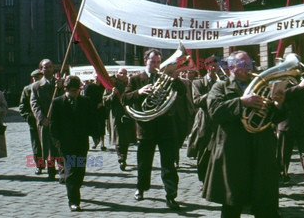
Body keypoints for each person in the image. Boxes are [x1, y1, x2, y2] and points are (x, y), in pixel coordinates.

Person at [203, 50, 286, 218]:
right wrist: (241, 102)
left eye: (249, 64)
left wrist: (278, 104)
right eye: (243, 64)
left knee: (265, 203)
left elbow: (275, 118)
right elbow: (214, 111)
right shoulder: (221, 86)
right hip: (234, 151)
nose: (248, 68)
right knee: (232, 204)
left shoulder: (263, 86)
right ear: (231, 67)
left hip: (261, 150)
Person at [121, 49, 186, 210]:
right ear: (146, 61)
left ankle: (171, 195)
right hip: (146, 128)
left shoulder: (166, 77)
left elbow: (183, 92)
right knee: (144, 162)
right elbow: (124, 99)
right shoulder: (136, 79)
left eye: (158, 62)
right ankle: (141, 188)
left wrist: (175, 80)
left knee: (168, 164)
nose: (156, 65)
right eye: (153, 61)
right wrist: (139, 92)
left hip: (166, 127)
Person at [50, 76, 97, 212]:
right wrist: (56, 140)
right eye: (72, 91)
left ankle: (75, 188)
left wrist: (95, 135)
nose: (75, 93)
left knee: (80, 170)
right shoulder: (58, 102)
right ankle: (74, 201)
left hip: (81, 142)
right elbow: (54, 124)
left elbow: (91, 119)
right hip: (65, 143)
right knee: (71, 171)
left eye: (77, 90)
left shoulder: (85, 101)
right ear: (66, 89)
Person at [276, 75, 304, 188]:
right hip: (286, 122)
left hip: (302, 123)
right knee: (284, 153)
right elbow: (280, 95)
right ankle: (282, 176)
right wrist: (299, 87)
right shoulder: (280, 81)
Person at [30, 59, 64, 181]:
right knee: (49, 148)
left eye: (50, 67)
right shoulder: (36, 86)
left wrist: (60, 88)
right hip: (45, 121)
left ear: (53, 68)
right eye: (45, 67)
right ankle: (51, 171)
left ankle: (62, 172)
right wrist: (41, 118)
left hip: (59, 121)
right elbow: (34, 104)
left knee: (60, 147)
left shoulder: (60, 84)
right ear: (41, 69)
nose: (48, 69)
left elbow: (64, 100)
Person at [188, 55, 218, 184]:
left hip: (218, 119)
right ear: (207, 67)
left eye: (216, 66)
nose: (214, 68)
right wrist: (213, 92)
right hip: (205, 120)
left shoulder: (222, 81)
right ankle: (203, 179)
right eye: (212, 66)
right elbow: (196, 101)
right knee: (204, 152)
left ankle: (215, 178)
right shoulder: (198, 82)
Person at [103, 68, 136, 170]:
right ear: (117, 74)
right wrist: (112, 95)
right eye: (120, 73)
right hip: (116, 114)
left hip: (127, 113)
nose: (122, 75)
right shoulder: (111, 84)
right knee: (119, 137)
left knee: (126, 138)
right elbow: (105, 100)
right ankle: (121, 158)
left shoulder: (130, 84)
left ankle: (123, 157)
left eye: (125, 73)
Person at [19, 69, 44, 175]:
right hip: (34, 121)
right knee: (36, 145)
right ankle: (39, 166)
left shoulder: (46, 87)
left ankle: (52, 164)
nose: (36, 80)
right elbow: (22, 106)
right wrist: (28, 117)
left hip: (46, 120)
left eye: (39, 78)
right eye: (35, 78)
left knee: (50, 143)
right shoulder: (27, 89)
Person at [83, 75, 107, 151]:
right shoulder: (89, 86)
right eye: (96, 78)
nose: (97, 80)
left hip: (101, 110)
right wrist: (93, 105)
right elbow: (86, 98)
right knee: (93, 126)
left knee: (102, 126)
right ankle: (95, 141)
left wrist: (102, 103)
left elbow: (106, 97)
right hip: (92, 110)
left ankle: (102, 144)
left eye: (99, 79)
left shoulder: (103, 87)